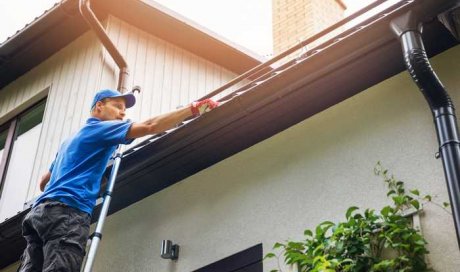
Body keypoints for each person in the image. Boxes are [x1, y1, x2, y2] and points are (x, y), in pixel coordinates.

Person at [18, 89, 219, 272]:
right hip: (67, 212)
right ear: (99, 106)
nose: (123, 113)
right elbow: (150, 125)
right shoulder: (100, 129)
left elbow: (44, 181)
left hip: (39, 214)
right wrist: (193, 108)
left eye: (124, 110)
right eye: (118, 107)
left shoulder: (69, 141)